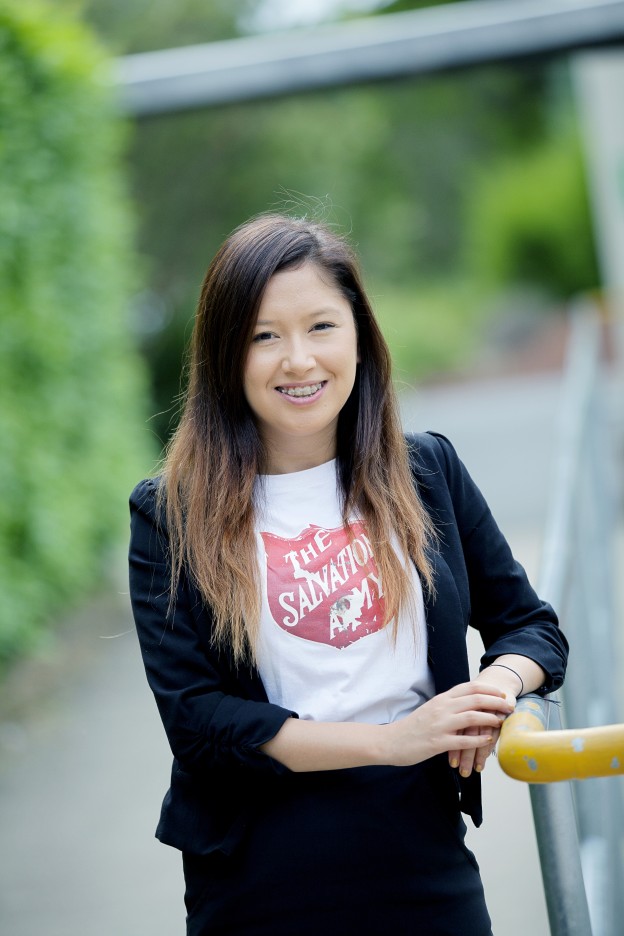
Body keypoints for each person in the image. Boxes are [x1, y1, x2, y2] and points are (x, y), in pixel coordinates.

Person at [128, 213, 568, 936]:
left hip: (423, 856)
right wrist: (392, 741)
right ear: (225, 355)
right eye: (264, 336)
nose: (298, 360)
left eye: (321, 327)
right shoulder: (172, 514)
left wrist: (494, 688)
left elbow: (531, 626)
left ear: (360, 336)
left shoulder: (426, 473)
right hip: (258, 878)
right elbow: (198, 721)